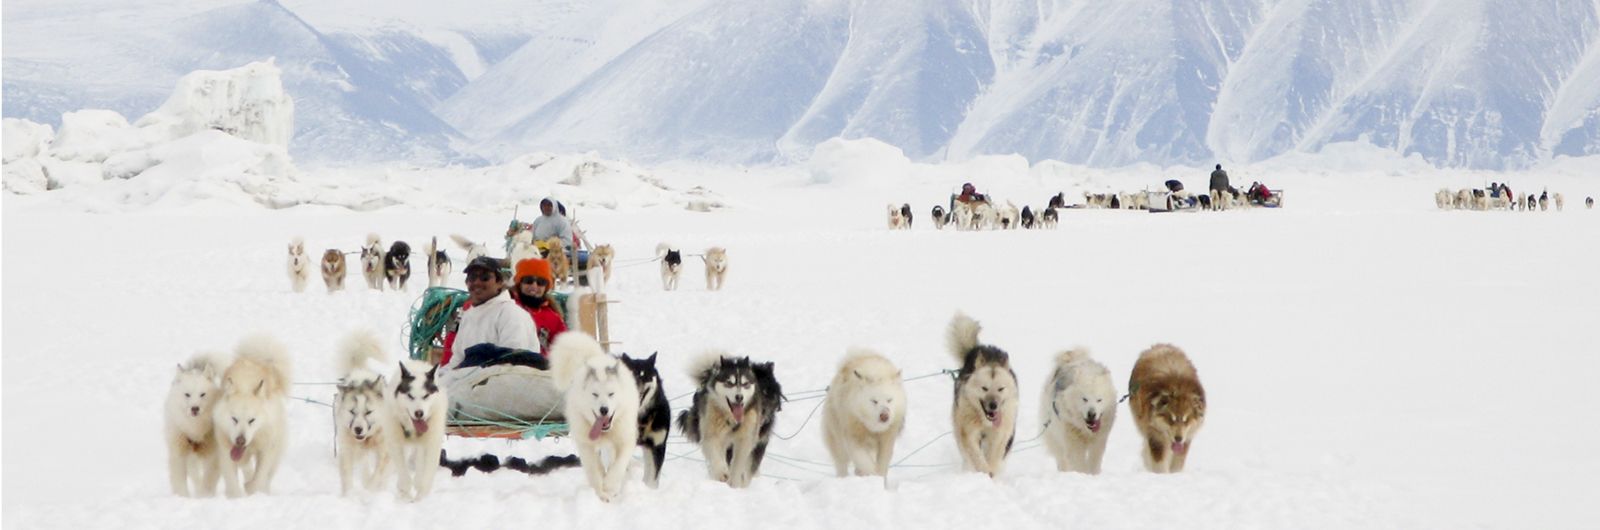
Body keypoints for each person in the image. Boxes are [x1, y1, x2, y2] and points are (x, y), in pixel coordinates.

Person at [439, 257, 564, 420]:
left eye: (485, 278)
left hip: (505, 392)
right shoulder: (468, 315)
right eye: (472, 278)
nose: (477, 283)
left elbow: (512, 365)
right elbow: (456, 360)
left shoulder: (511, 314)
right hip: (473, 386)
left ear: (499, 283)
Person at [511, 258, 567, 353]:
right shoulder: (508, 307)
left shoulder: (553, 317)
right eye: (528, 281)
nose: (534, 286)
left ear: (546, 287)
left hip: (542, 365)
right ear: (519, 284)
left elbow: (565, 346)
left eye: (541, 282)